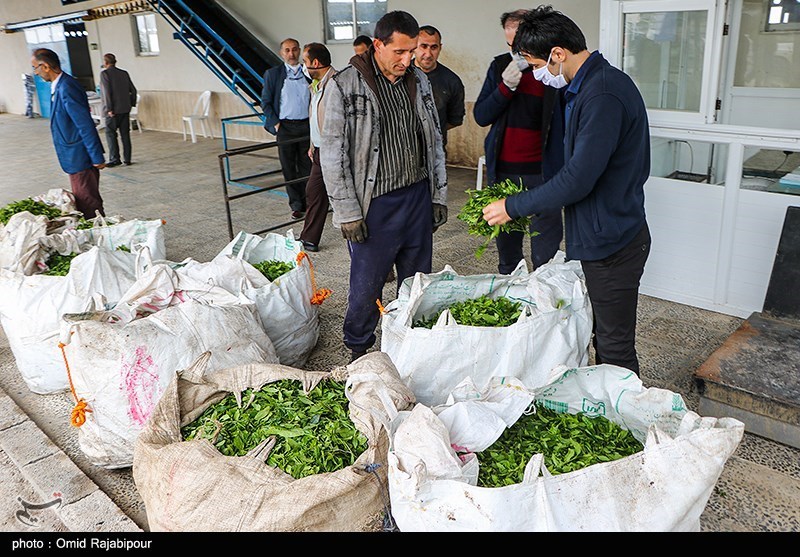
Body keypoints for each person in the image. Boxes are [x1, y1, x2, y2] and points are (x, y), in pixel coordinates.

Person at [482, 6, 652, 376]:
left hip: (613, 243)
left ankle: (626, 421)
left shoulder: (602, 93)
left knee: (614, 347)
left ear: (557, 54)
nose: (538, 76)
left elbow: (578, 178)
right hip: (601, 234)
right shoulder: (586, 86)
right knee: (600, 335)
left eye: (536, 64)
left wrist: (513, 206)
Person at [320, 10, 447, 363]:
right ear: (378, 45)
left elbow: (434, 140)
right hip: (375, 204)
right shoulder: (345, 84)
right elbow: (333, 153)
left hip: (417, 196)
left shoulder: (418, 82)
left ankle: (410, 342)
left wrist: (437, 194)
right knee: (367, 284)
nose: (409, 60)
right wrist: (347, 211)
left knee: (416, 280)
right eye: (400, 52)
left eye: (413, 51)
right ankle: (358, 348)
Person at [474, 8, 564, 275]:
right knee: (508, 250)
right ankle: (511, 300)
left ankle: (542, 301)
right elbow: (481, 115)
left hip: (543, 174)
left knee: (545, 251)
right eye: (510, 45)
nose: (516, 52)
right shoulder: (501, 66)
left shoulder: (553, 73)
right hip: (505, 173)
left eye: (520, 45)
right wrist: (505, 87)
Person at [31, 48, 106, 219]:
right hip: (73, 157)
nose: (36, 72)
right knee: (84, 200)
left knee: (88, 203)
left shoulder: (67, 87)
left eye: (36, 67)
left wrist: (96, 157)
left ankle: (103, 235)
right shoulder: (58, 87)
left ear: (46, 66)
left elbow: (84, 124)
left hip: (80, 157)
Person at [261, 38, 312, 220]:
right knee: (289, 167)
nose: (291, 54)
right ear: (282, 53)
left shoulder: (309, 73)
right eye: (287, 50)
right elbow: (266, 102)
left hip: (306, 126)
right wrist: (276, 124)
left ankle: (310, 202)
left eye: (295, 50)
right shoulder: (273, 74)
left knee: (308, 166)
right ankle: (296, 205)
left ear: (300, 51)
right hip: (285, 127)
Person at [298, 42, 336, 253]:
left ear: (315, 62)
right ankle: (309, 238)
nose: (304, 66)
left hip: (334, 151)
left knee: (343, 196)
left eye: (305, 61)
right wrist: (313, 144)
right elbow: (315, 117)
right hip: (320, 151)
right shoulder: (316, 85)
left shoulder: (336, 84)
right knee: (314, 192)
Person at [414, 25, 465, 153]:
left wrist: (433, 129)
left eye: (434, 47)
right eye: (423, 46)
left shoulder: (452, 81)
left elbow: (455, 120)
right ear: (414, 46)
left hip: (435, 153)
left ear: (440, 48)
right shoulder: (399, 75)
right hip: (400, 153)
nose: (428, 54)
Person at [99, 53, 137, 167]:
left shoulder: (105, 74)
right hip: (125, 109)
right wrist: (131, 104)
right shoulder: (124, 73)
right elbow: (133, 90)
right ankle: (127, 159)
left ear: (105, 63)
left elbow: (107, 93)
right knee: (125, 134)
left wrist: (109, 108)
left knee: (111, 134)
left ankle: (115, 158)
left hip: (113, 111)